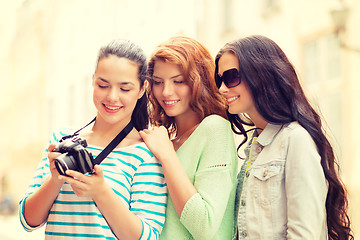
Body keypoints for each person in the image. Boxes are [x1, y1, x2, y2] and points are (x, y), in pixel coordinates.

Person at [19, 39, 167, 239]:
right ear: (93, 81)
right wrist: (55, 179)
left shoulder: (146, 154)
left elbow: (148, 236)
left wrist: (101, 192)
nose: (112, 97)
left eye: (125, 89)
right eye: (103, 85)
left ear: (142, 89)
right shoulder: (62, 140)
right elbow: (27, 220)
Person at [214, 35, 353, 240]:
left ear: (260, 75)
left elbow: (305, 234)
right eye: (219, 79)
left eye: (231, 77)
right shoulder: (255, 145)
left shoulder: (295, 140)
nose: (222, 88)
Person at [139, 36, 238, 240]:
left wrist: (167, 155)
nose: (166, 92)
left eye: (179, 81)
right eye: (158, 82)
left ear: (199, 81)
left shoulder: (215, 129)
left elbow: (205, 225)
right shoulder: (165, 142)